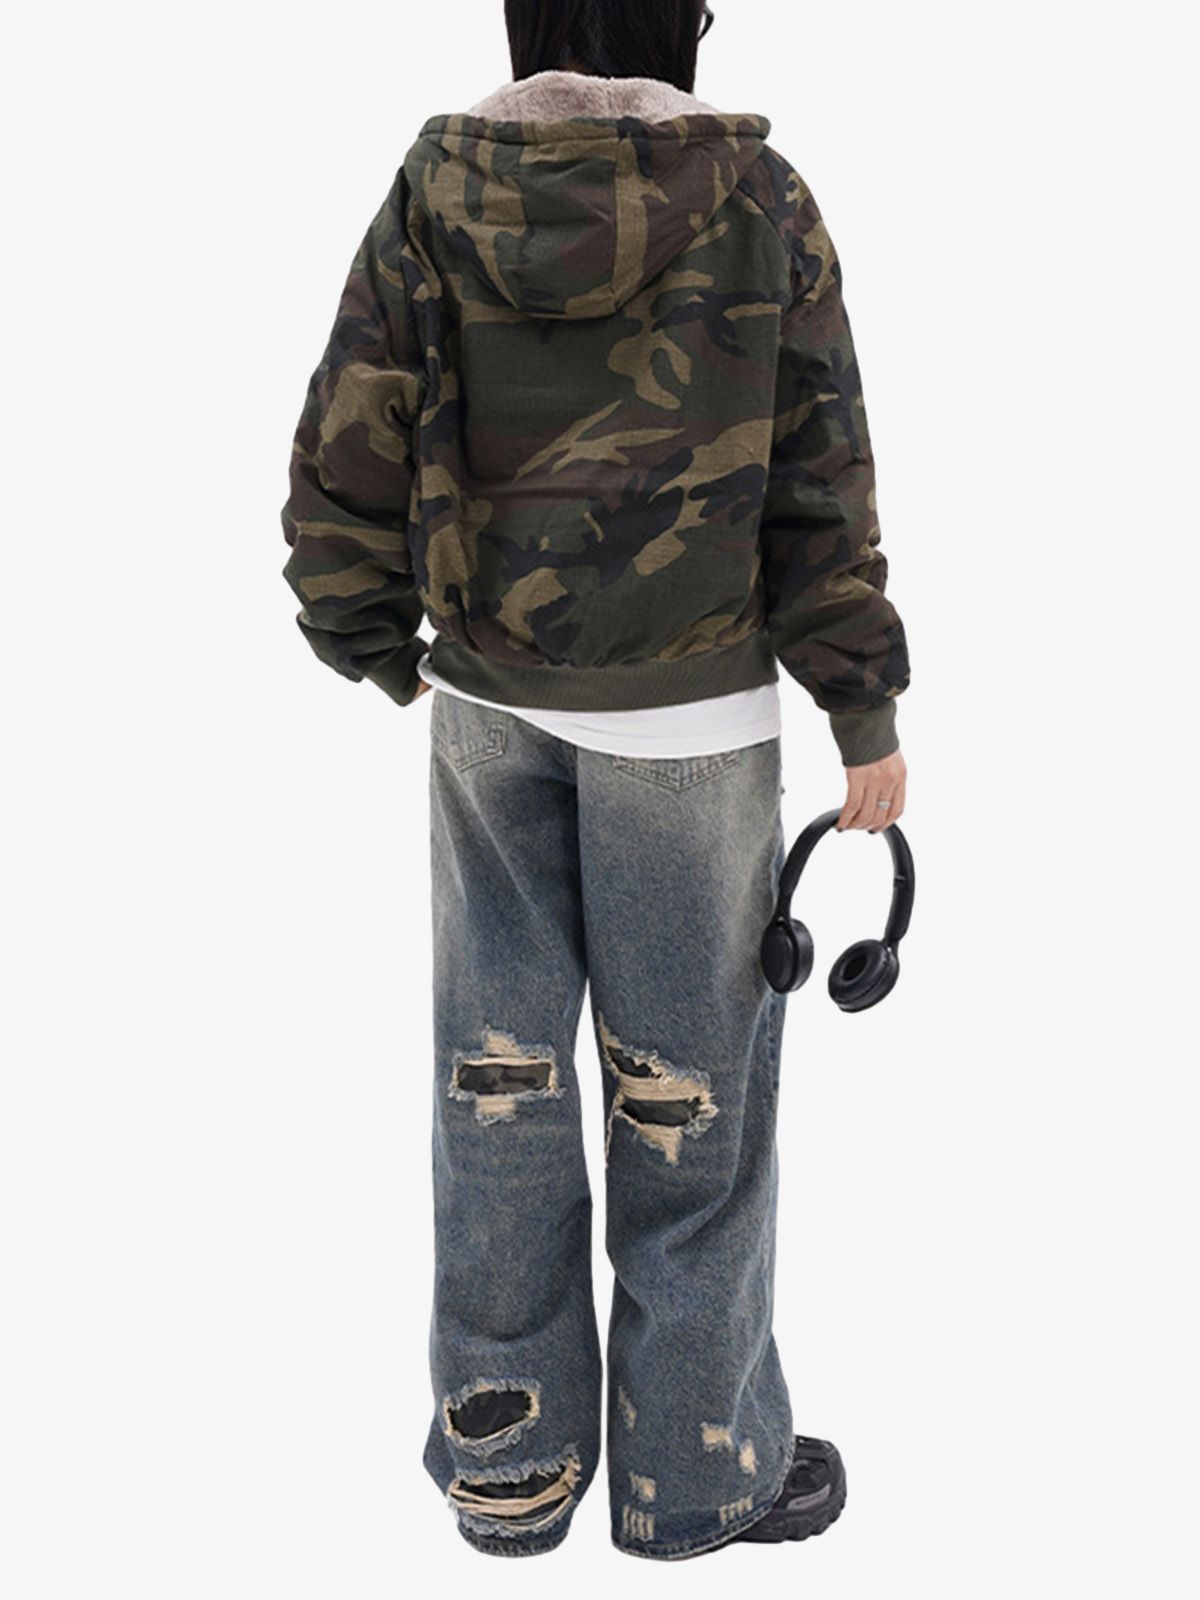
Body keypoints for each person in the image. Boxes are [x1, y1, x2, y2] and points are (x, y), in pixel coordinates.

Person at [279, 0, 910, 1561]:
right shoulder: (759, 199)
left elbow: (345, 447)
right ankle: (695, 1472)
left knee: (494, 1082)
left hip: (490, 707)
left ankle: (508, 1459)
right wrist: (863, 711)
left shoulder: (438, 191)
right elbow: (821, 480)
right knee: (692, 1103)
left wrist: (376, 641)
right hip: (691, 725)